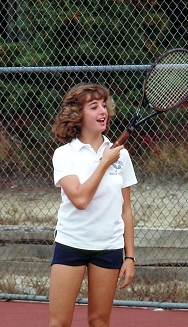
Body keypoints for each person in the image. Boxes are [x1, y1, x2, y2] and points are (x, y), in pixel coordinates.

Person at [49, 83, 138, 327]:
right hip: (71, 243)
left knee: (99, 322)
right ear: (78, 114)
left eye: (104, 105)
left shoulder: (121, 156)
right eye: (93, 106)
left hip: (108, 247)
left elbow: (126, 209)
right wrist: (104, 163)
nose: (103, 111)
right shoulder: (64, 154)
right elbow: (80, 199)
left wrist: (130, 256)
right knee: (59, 323)